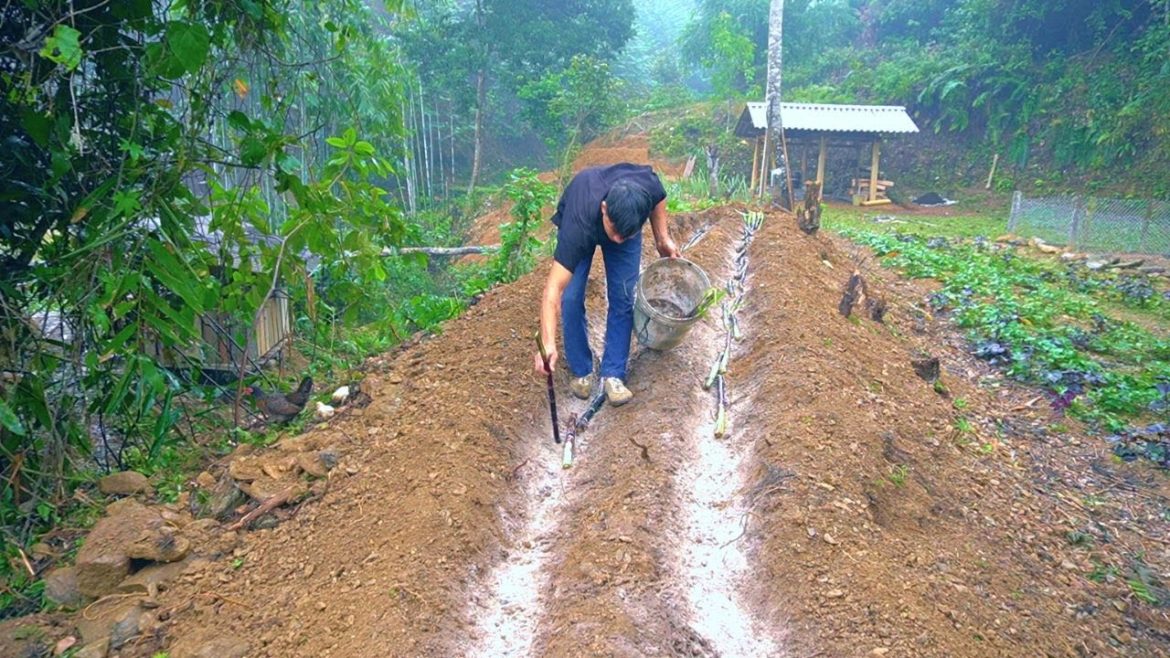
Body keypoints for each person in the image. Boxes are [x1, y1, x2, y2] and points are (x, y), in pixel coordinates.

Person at [534, 163, 679, 406]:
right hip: (583, 214)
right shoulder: (577, 226)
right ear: (604, 209)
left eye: (627, 234)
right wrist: (547, 343)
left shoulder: (645, 190)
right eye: (615, 231)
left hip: (623, 216)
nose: (619, 239)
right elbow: (553, 291)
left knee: (622, 296)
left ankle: (614, 373)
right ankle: (582, 371)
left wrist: (662, 238)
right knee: (570, 297)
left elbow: (659, 195)